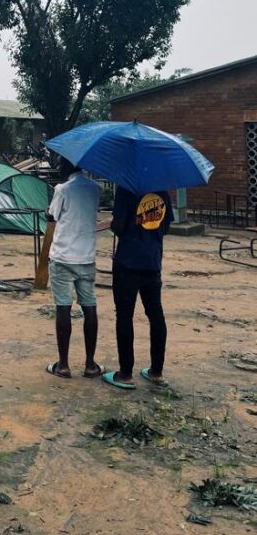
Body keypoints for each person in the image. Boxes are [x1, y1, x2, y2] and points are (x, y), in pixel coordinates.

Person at [103, 187, 173, 390]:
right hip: (152, 262)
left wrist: (120, 224)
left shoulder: (127, 190)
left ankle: (125, 374)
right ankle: (156, 372)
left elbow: (118, 226)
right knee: (156, 314)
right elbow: (166, 227)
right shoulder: (163, 192)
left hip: (128, 262)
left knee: (125, 315)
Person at [45, 159, 103, 379]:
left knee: (63, 308)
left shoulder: (62, 189)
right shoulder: (95, 189)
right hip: (86, 256)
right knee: (89, 307)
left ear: (66, 169)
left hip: (62, 256)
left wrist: (48, 211)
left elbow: (53, 216)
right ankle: (90, 364)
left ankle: (63, 365)